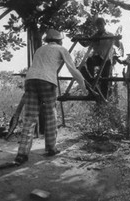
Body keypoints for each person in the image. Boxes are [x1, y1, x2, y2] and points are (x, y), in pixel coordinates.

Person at [15, 29, 88, 165]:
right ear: (59, 40)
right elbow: (72, 69)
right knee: (50, 115)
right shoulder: (61, 49)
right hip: (47, 81)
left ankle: (22, 154)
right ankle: (51, 148)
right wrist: (83, 85)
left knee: (29, 118)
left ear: (47, 40)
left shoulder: (39, 50)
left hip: (30, 80)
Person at [79, 17, 123, 100]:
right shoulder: (94, 36)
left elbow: (117, 45)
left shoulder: (110, 34)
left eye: (101, 24)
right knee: (90, 60)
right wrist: (78, 39)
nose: (100, 26)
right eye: (98, 25)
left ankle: (104, 98)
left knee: (105, 79)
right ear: (96, 26)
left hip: (107, 59)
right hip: (98, 57)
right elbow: (86, 44)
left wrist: (117, 39)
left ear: (104, 24)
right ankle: (91, 80)